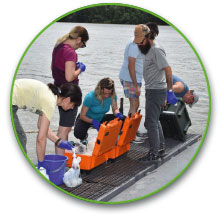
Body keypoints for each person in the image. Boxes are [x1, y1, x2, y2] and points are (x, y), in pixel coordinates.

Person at [12, 78, 82, 169]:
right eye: (73, 105)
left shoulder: (51, 96)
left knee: (19, 138)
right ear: (68, 100)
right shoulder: (50, 102)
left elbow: (41, 126)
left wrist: (59, 141)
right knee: (20, 138)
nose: (72, 108)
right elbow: (41, 139)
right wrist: (41, 164)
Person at [137, 22, 177, 162]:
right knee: (154, 120)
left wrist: (170, 91)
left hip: (156, 90)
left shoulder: (156, 49)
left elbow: (168, 69)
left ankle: (154, 154)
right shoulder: (147, 48)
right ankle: (160, 149)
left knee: (150, 122)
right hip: (151, 89)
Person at [51, 26, 89, 155]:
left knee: (63, 128)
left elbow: (54, 68)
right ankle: (61, 161)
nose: (80, 47)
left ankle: (61, 158)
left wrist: (73, 68)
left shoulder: (58, 47)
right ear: (79, 39)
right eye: (83, 45)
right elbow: (69, 77)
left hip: (59, 89)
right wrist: (80, 69)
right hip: (70, 94)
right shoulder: (70, 52)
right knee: (64, 130)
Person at [119, 24, 150, 115]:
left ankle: (130, 126)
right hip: (130, 79)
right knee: (134, 104)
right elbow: (130, 65)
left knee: (135, 104)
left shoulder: (135, 41)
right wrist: (136, 86)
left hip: (132, 78)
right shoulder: (135, 46)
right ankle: (129, 127)